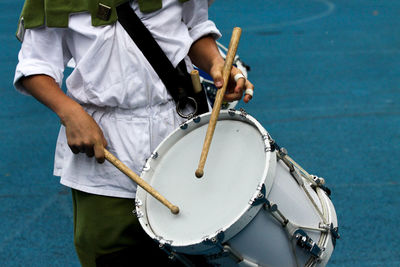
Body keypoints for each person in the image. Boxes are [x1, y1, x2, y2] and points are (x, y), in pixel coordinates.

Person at [14, 0, 254, 266]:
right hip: (107, 151)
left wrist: (215, 63)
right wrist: (70, 113)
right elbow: (34, 66)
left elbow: (194, 28)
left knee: (206, 250)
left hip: (182, 132)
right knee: (112, 255)